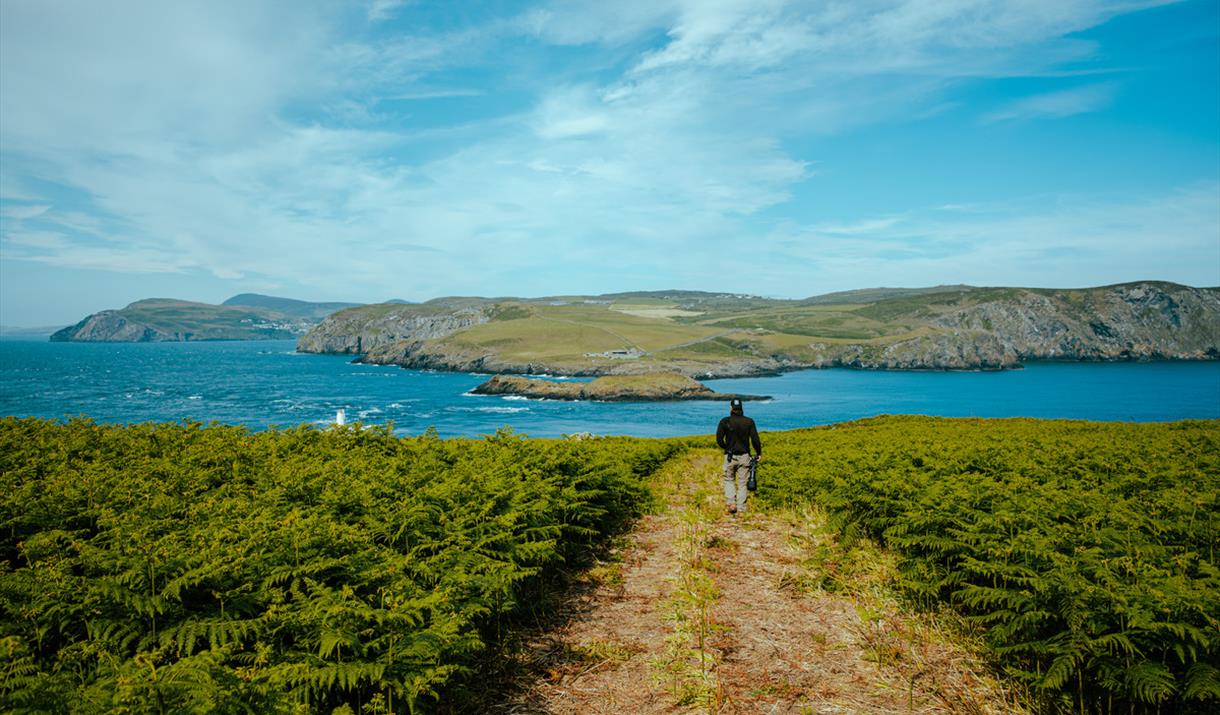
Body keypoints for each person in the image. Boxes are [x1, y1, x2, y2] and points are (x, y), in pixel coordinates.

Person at [716, 397, 761, 515]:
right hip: (745, 456)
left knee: (729, 479)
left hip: (730, 456)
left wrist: (727, 448)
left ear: (731, 408)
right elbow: (755, 440)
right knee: (742, 483)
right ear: (741, 408)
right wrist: (758, 453)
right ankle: (741, 508)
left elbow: (719, 439)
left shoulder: (724, 421)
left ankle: (731, 503)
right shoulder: (749, 421)